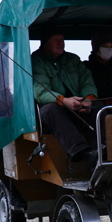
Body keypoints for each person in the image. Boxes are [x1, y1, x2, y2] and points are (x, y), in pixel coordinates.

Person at [31, 28, 98, 169]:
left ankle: (102, 150)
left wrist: (88, 99)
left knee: (98, 106)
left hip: (77, 109)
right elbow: (41, 92)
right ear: (45, 43)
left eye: (62, 39)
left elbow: (87, 80)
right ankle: (83, 153)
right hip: (55, 114)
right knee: (50, 109)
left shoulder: (72, 59)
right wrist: (64, 101)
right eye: (55, 39)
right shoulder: (37, 61)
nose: (60, 43)